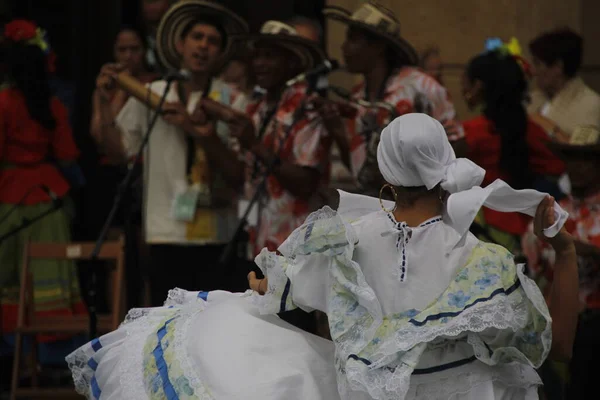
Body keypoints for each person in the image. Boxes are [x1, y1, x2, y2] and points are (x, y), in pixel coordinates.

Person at [67, 113, 578, 400]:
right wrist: (565, 251)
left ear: (384, 175)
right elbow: (557, 348)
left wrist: (261, 289)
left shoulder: (343, 241)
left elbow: (272, 292)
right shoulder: (484, 262)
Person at [92, 1, 249, 306]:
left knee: (212, 327)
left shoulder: (233, 100)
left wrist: (196, 131)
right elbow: (119, 151)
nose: (203, 47)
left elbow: (239, 174)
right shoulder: (156, 92)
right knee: (167, 326)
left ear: (220, 53)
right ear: (180, 44)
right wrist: (102, 99)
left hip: (217, 236)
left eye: (212, 41)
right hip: (165, 232)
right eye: (197, 38)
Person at [318, 2, 463, 197]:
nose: (344, 47)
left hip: (420, 210)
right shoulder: (357, 97)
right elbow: (359, 170)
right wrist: (337, 130)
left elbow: (458, 145)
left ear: (378, 46)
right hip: (376, 209)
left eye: (353, 40)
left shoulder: (420, 87)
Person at [0, 20, 86, 336]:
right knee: (52, 278)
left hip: (9, 202)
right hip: (49, 200)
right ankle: (52, 352)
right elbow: (66, 156)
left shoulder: (3, 102)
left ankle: (14, 357)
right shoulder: (52, 104)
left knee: (7, 279)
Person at [461, 39, 565, 254]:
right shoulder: (531, 130)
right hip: (526, 229)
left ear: (478, 86)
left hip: (481, 228)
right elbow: (557, 166)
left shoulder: (470, 133)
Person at [522, 127, 600, 399]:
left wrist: (587, 252)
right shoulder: (553, 212)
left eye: (586, 160)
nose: (577, 167)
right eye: (572, 159)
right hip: (554, 322)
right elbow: (532, 268)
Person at [85, 25, 159, 310]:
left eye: (134, 49)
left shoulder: (153, 85)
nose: (128, 55)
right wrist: (107, 95)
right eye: (122, 50)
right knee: (116, 257)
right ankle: (118, 320)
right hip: (111, 174)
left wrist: (127, 84)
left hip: (142, 174)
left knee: (145, 257)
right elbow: (98, 134)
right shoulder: (106, 86)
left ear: (144, 52)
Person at [527, 28, 600, 141]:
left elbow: (583, 155)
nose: (533, 71)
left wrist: (550, 128)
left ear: (558, 67)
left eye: (538, 64)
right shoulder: (532, 99)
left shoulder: (590, 105)